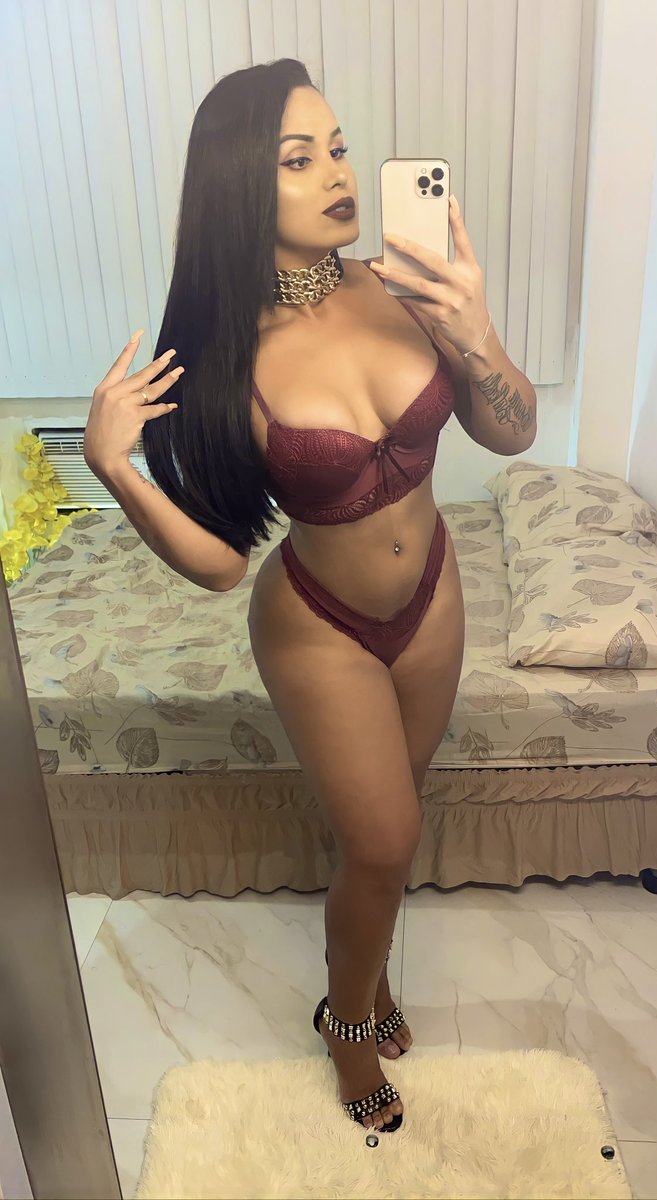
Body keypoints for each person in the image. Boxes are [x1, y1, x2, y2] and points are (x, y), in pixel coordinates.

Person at [84, 58, 537, 1136]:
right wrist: (114, 469)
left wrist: (474, 328)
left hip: (432, 596)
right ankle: (346, 1025)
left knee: (395, 828)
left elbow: (510, 432)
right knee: (379, 843)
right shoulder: (223, 359)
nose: (337, 173)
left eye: (337, 148)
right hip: (318, 628)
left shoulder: (404, 289)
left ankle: (366, 982)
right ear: (243, 182)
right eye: (300, 159)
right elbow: (219, 564)